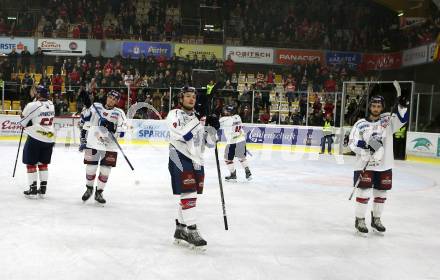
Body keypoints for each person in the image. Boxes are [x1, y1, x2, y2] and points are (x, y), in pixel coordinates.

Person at [349, 94, 408, 235]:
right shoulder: (360, 124)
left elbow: (402, 120)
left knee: (381, 193)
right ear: (370, 107)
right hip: (366, 164)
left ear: (382, 107)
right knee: (364, 191)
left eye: (379, 106)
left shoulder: (388, 119)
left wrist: (403, 106)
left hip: (384, 164)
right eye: (374, 106)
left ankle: (376, 219)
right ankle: (360, 219)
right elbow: (352, 142)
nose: (376, 109)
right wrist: (366, 146)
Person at [166, 86, 217, 249]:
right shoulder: (174, 114)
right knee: (189, 193)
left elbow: (210, 144)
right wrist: (199, 120)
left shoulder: (199, 118)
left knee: (190, 195)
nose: (191, 99)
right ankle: (192, 230)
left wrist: (213, 127)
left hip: (197, 159)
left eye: (193, 97)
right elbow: (182, 135)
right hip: (179, 156)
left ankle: (180, 229)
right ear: (181, 99)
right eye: (187, 96)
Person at [79, 90, 127, 204]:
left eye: (114, 99)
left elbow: (123, 130)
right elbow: (84, 119)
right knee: (90, 168)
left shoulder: (119, 113)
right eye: (110, 97)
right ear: (107, 97)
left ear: (117, 101)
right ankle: (89, 189)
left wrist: (113, 127)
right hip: (92, 142)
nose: (111, 100)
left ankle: (99, 192)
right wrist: (86, 105)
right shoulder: (96, 106)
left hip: (109, 145)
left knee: (105, 171)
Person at [19, 85, 55, 198]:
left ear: (38, 94)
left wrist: (24, 111)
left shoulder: (32, 105)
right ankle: (43, 189)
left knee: (30, 163)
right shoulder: (51, 104)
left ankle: (33, 188)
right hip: (49, 138)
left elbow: (22, 122)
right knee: (43, 163)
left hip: (36, 138)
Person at [220, 105, 252, 181]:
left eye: (226, 110)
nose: (224, 111)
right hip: (241, 140)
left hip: (232, 142)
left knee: (228, 159)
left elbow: (216, 124)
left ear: (229, 112)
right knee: (242, 158)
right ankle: (248, 172)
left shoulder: (224, 119)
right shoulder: (238, 117)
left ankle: (233, 175)